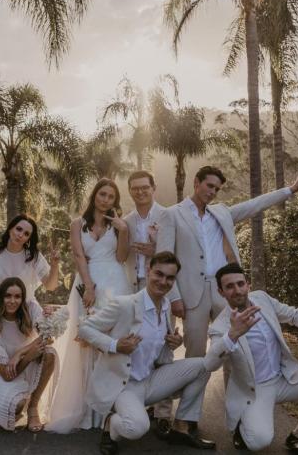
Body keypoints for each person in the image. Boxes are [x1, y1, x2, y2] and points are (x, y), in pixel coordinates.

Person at [156, 165, 298, 359]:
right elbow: (163, 259)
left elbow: (255, 204)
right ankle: (192, 391)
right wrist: (174, 297)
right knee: (195, 352)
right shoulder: (171, 214)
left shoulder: (221, 212)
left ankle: (234, 389)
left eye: (216, 189)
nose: (212, 192)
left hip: (224, 290)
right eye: (209, 186)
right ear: (196, 183)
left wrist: (291, 189)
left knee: (235, 348)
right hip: (191, 293)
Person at [78, 251, 215, 455]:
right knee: (137, 428)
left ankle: (181, 426)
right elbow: (85, 329)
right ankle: (112, 426)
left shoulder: (166, 306)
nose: (163, 281)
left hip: (151, 380)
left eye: (170, 278)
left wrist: (171, 344)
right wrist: (116, 345)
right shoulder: (124, 304)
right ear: (148, 270)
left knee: (205, 365)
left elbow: (157, 353)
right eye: (159, 274)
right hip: (125, 386)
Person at [204, 263, 298, 454]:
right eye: (229, 287)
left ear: (248, 284)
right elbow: (210, 363)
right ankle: (242, 424)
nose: (237, 290)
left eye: (240, 284)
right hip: (256, 390)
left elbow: (293, 315)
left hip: (285, 377)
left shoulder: (262, 299)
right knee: (258, 442)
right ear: (221, 292)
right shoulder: (220, 326)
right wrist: (232, 335)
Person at [46, 178, 134, 433]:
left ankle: (109, 409)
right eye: (102, 194)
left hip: (115, 284)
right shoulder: (78, 224)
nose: (105, 199)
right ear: (95, 195)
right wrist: (88, 286)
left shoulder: (119, 225)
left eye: (110, 196)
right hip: (87, 284)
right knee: (86, 344)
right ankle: (87, 410)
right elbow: (78, 256)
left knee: (111, 342)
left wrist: (124, 231)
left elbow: (121, 257)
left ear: (115, 201)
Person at [122, 170, 176, 434]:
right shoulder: (127, 221)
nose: (140, 192)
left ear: (153, 188)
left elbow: (174, 256)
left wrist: (155, 252)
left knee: (165, 347)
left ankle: (164, 413)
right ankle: (138, 402)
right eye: (135, 188)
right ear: (130, 191)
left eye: (145, 187)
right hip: (134, 290)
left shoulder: (167, 215)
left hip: (161, 287)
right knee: (139, 345)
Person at [0, 277, 58, 432]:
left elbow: (49, 337)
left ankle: (33, 407)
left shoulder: (30, 309)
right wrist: (29, 356)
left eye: (17, 296)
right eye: (8, 296)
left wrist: (21, 352)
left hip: (24, 367)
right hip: (1, 374)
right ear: (1, 297)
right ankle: (16, 404)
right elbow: (7, 375)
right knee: (14, 407)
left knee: (50, 353)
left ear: (23, 298)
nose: (12, 301)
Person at [0, 214, 60, 306]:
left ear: (28, 239)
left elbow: (51, 286)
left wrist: (54, 266)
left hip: (26, 310)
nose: (21, 235)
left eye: (26, 234)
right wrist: (5, 314)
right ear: (10, 228)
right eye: (18, 229)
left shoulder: (33, 256)